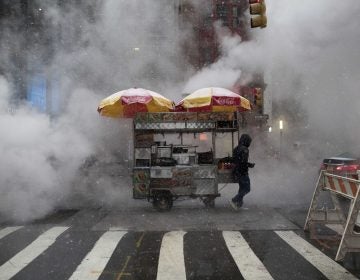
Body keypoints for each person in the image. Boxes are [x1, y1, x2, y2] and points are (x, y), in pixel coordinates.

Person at [230, 133, 255, 210]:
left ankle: (239, 204)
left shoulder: (236, 148)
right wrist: (250, 165)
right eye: (249, 141)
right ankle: (235, 200)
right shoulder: (245, 150)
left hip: (236, 171)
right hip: (243, 172)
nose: (249, 143)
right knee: (247, 189)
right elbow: (243, 162)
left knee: (241, 188)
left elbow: (235, 161)